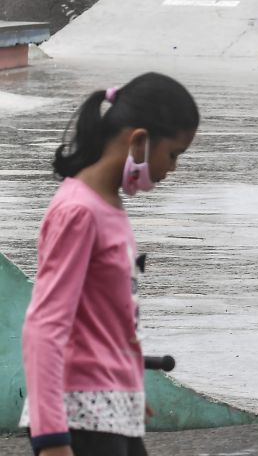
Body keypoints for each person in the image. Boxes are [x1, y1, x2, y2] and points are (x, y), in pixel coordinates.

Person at [21, 73, 200, 456]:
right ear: (138, 140)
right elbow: (44, 326)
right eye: (174, 154)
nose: (173, 168)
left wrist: (128, 390)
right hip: (78, 416)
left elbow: (106, 321)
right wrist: (51, 437)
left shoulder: (109, 207)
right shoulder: (78, 211)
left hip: (111, 407)